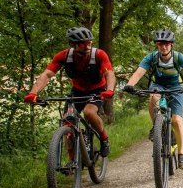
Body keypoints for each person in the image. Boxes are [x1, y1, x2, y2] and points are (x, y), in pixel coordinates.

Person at [24, 27, 116, 156]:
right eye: (82, 43)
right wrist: (33, 93)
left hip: (97, 90)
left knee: (89, 112)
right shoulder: (64, 56)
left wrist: (110, 90)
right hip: (77, 91)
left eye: (89, 42)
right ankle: (72, 161)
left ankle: (104, 139)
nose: (87, 46)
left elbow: (109, 73)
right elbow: (47, 74)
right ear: (72, 44)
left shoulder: (99, 54)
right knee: (67, 122)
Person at [123, 29, 183, 169]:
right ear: (157, 45)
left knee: (176, 120)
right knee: (152, 96)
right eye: (160, 44)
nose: (163, 47)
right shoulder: (151, 57)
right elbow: (139, 72)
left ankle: (181, 153)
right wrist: (129, 84)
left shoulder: (178, 57)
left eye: (166, 44)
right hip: (158, 85)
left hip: (176, 87)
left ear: (171, 45)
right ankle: (156, 126)